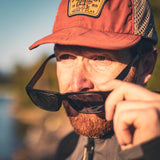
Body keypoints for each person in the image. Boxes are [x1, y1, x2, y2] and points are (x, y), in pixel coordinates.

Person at [26, 0, 160, 159]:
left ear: (146, 66)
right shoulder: (66, 148)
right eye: (66, 57)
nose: (76, 84)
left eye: (101, 58)